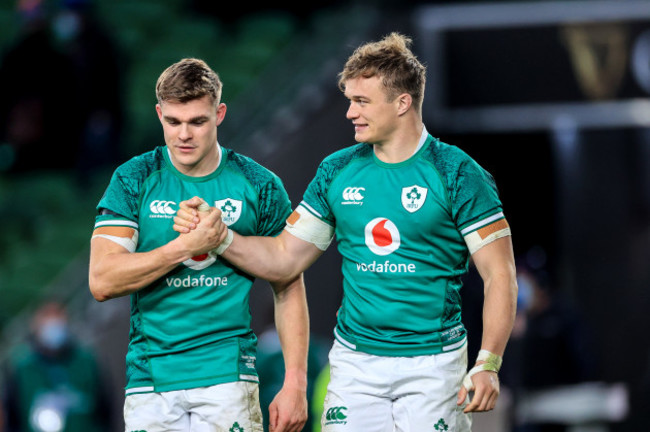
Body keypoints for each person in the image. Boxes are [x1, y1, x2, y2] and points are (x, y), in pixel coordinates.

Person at [174, 33, 518, 431]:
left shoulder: (458, 173)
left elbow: (500, 274)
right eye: (349, 100)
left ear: (402, 103)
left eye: (362, 101)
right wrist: (220, 236)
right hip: (356, 363)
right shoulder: (337, 171)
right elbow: (286, 258)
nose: (350, 112)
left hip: (433, 363)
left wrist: (488, 363)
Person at [88, 58, 308, 432]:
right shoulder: (134, 178)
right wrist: (185, 246)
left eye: (197, 122)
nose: (184, 135)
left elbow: (288, 282)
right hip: (151, 378)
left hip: (228, 375)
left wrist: (296, 384)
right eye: (173, 122)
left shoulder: (259, 184)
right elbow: (102, 280)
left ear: (219, 114)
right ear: (159, 114)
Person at [1, 301, 112, 432]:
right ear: (35, 325)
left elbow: (105, 412)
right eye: (47, 317)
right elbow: (11, 417)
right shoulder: (20, 366)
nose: (53, 325)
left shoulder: (88, 362)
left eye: (57, 317)